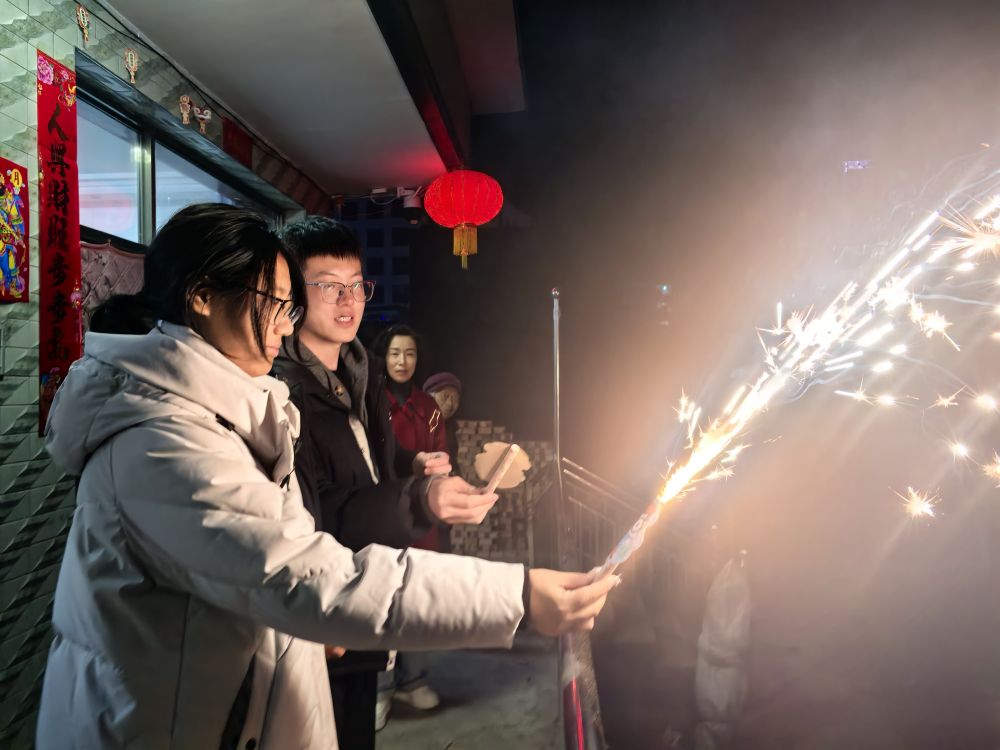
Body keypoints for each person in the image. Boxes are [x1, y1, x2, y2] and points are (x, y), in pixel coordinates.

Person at [36, 204, 619, 750]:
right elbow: (306, 574)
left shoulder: (254, 405)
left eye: (294, 301)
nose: (285, 321)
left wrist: (414, 476)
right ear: (204, 297)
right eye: (277, 300)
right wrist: (515, 594)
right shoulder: (163, 442)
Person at [270, 217, 502, 745]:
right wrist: (420, 499)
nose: (348, 300)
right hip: (321, 599)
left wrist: (412, 464)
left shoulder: (364, 372)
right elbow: (317, 506)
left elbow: (369, 456)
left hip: (374, 575)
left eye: (356, 285)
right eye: (329, 285)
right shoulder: (282, 392)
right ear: (293, 294)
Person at [423, 371, 462, 463]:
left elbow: (452, 464)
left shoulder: (450, 429)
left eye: (455, 399)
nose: (450, 404)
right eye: (445, 396)